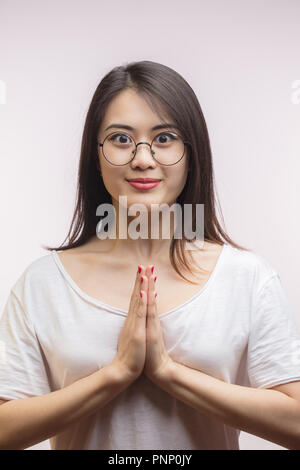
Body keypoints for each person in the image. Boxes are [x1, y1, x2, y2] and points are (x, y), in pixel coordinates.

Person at [1, 60, 300, 450]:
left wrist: (168, 373)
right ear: (96, 155)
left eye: (164, 138)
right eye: (121, 139)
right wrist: (117, 373)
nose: (142, 159)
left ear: (191, 153)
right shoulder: (42, 284)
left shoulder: (246, 278)